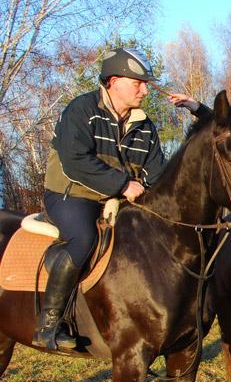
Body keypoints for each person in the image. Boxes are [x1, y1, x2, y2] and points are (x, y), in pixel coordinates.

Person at [35, 47, 207, 351]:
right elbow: (75, 161)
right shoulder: (82, 110)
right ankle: (49, 324)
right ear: (114, 81)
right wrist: (122, 185)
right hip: (72, 194)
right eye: (138, 83)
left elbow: (158, 174)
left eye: (146, 84)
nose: (144, 90)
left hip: (117, 201)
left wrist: (198, 110)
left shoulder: (145, 126)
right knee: (84, 239)